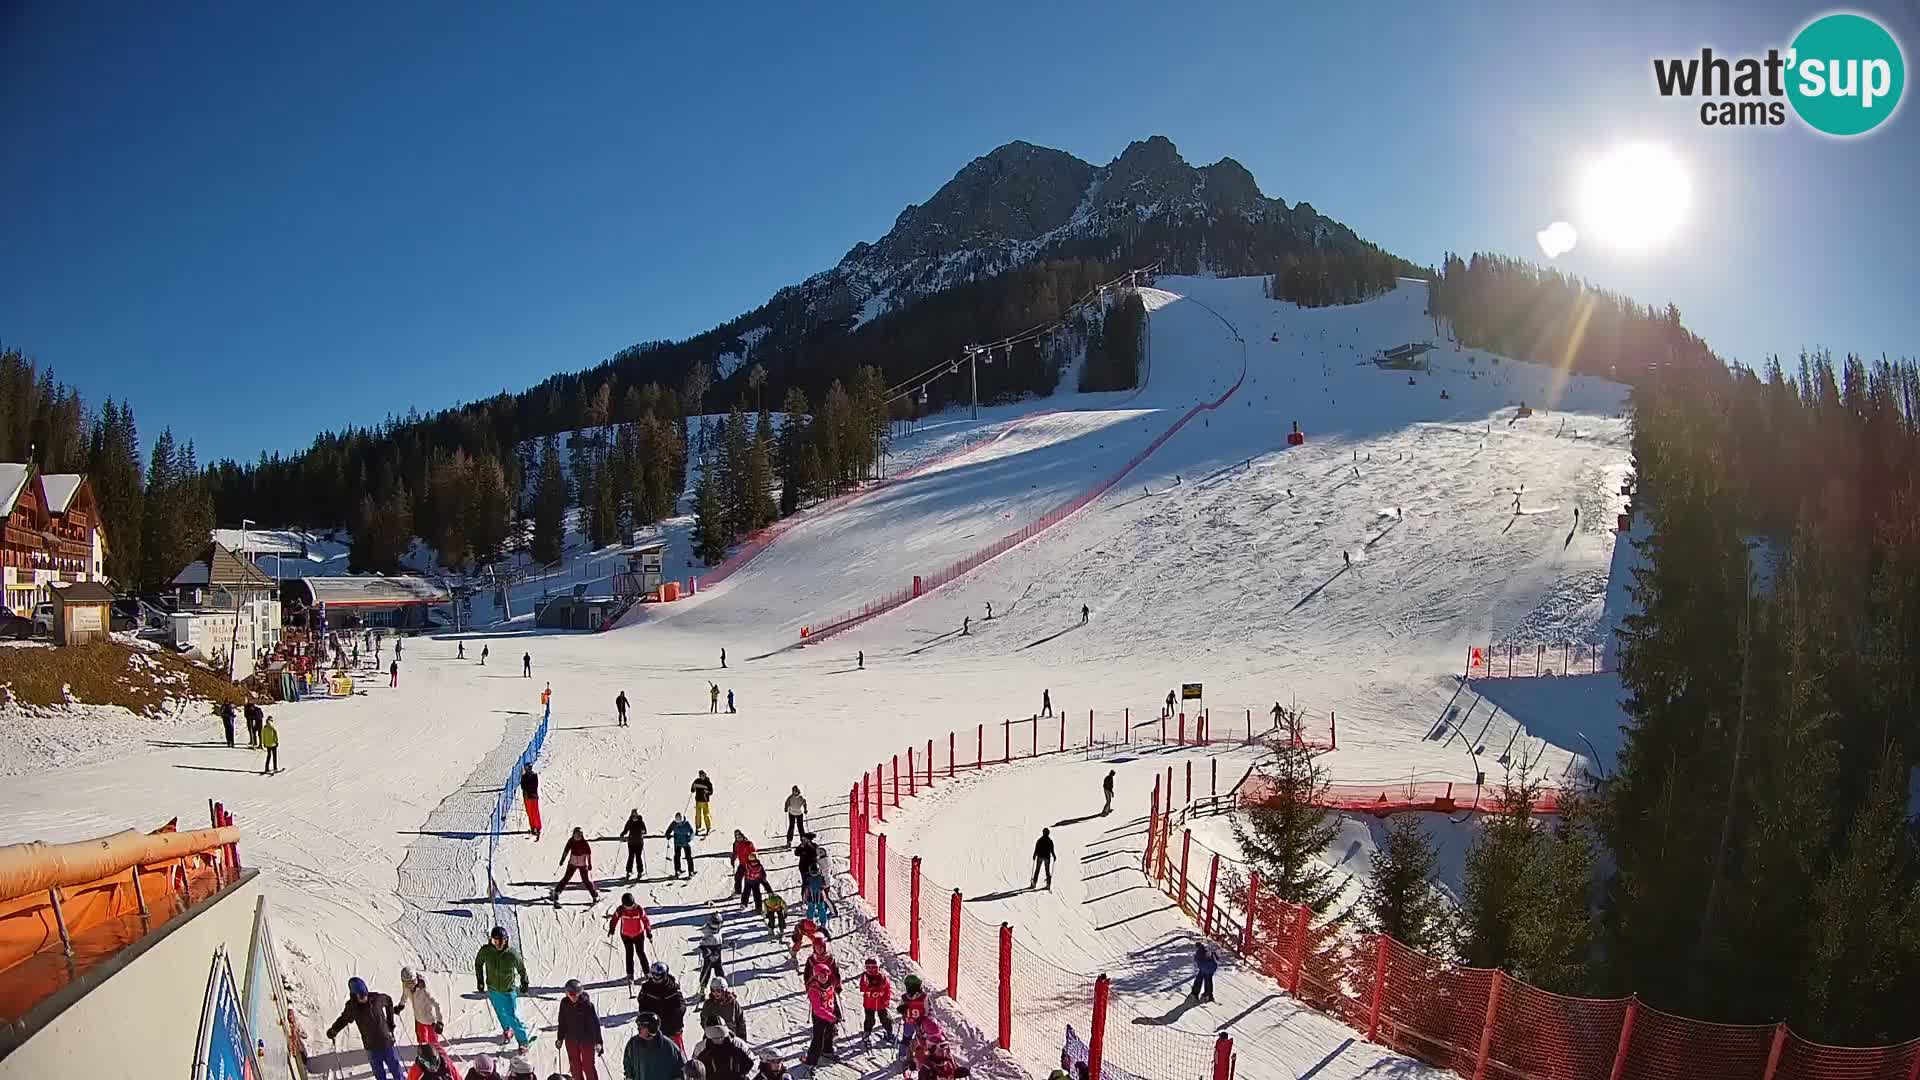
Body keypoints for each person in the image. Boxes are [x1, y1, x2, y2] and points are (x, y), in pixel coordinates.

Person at [326, 976, 403, 1080]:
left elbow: (389, 1001)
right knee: (379, 1074)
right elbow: (343, 1019)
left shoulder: (376, 999)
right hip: (371, 1047)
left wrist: (390, 1024)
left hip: (386, 1042)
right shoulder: (352, 1008)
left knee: (396, 1070)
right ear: (354, 995)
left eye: (365, 994)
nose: (364, 998)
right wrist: (334, 1029)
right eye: (360, 996)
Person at [475, 926, 534, 1050]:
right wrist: (480, 981)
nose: (499, 944)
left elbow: (521, 968)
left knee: (512, 1016)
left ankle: (523, 1041)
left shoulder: (512, 954)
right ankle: (507, 1030)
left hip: (508, 991)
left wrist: (525, 982)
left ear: (506, 940)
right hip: (493, 989)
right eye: (496, 941)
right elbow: (478, 963)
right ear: (492, 940)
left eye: (502, 940)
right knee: (500, 1013)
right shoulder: (486, 951)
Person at [557, 979, 605, 1080]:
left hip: (586, 1039)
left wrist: (598, 1042)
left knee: (588, 1066)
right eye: (571, 994)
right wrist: (560, 1038)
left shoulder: (587, 1005)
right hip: (571, 1039)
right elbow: (562, 1021)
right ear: (567, 993)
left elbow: (595, 1025)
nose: (574, 997)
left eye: (577, 994)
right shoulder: (564, 1003)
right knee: (575, 1066)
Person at [802, 943, 841, 1067]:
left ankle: (827, 1050)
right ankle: (811, 1060)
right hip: (820, 1017)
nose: (823, 978)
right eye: (820, 976)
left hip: (830, 1014)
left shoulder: (829, 985)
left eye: (824, 976)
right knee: (818, 1038)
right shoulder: (814, 989)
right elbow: (818, 1009)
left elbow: (833, 999)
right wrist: (831, 1017)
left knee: (829, 1034)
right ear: (816, 976)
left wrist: (836, 1012)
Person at [635, 965, 688, 1050]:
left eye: (659, 975)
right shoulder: (646, 988)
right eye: (654, 975)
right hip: (653, 1029)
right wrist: (646, 1020)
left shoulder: (672, 987)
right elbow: (642, 1004)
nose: (656, 978)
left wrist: (676, 1016)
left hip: (671, 1028)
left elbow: (681, 1005)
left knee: (677, 1053)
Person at [623, 1012, 687, 1080]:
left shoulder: (669, 1047)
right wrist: (629, 1077)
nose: (638, 1029)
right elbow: (628, 1063)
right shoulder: (633, 1044)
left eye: (642, 1026)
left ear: (651, 1027)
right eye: (638, 1026)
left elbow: (680, 1069)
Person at [608, 892, 655, 982]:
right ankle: (630, 974)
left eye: (631, 906)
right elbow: (614, 918)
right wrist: (612, 928)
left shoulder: (639, 909)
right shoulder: (620, 910)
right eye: (627, 906)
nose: (629, 908)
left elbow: (646, 921)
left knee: (641, 953)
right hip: (626, 935)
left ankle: (647, 972)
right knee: (629, 954)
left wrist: (648, 932)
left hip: (638, 934)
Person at [397, 966, 444, 1050]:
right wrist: (401, 1005)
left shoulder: (424, 990)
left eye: (411, 983)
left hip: (430, 1020)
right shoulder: (406, 986)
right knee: (422, 1041)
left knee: (434, 1043)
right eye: (407, 983)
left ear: (415, 979)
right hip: (418, 1018)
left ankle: (441, 1059)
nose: (409, 986)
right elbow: (405, 994)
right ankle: (425, 1057)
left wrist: (440, 1022)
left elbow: (437, 1004)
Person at [554, 827, 600, 902]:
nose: (578, 836)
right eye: (576, 834)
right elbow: (566, 851)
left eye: (580, 835)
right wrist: (562, 860)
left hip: (582, 864)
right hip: (573, 863)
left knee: (586, 881)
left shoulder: (584, 843)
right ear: (573, 834)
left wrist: (589, 864)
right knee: (566, 878)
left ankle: (594, 895)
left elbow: (588, 854)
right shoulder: (571, 841)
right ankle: (557, 892)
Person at [858, 958, 894, 1045]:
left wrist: (886, 1000)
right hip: (869, 1003)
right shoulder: (865, 977)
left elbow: (887, 990)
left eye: (873, 967)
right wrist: (865, 983)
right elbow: (862, 988)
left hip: (881, 1003)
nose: (871, 970)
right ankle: (867, 1032)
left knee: (885, 1018)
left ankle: (889, 1032)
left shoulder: (882, 978)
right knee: (869, 1019)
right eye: (868, 968)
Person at [895, 974, 929, 1058]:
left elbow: (900, 1009)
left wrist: (902, 1010)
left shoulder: (904, 998)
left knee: (906, 1039)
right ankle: (922, 1055)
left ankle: (902, 1055)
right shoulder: (923, 997)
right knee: (921, 1039)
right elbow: (927, 1010)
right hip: (920, 1023)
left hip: (908, 1022)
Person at [696, 913, 725, 989]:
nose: (717, 926)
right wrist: (706, 952)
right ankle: (702, 989)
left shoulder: (719, 931)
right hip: (709, 958)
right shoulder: (707, 932)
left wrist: (729, 944)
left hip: (718, 956)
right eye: (715, 924)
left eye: (719, 924)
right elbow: (701, 945)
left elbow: (720, 943)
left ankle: (721, 988)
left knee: (720, 973)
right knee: (706, 973)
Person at [618, 810, 648, 880]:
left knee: (638, 858)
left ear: (637, 815)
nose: (634, 817)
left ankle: (640, 872)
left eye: (635, 816)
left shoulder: (641, 822)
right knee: (630, 857)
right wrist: (622, 834)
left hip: (639, 843)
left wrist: (643, 831)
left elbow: (645, 831)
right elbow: (625, 830)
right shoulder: (629, 822)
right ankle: (628, 871)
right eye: (633, 816)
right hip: (631, 842)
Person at [729, 831, 756, 896]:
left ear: (742, 836)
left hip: (749, 864)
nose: (738, 838)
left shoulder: (748, 843)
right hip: (742, 864)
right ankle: (738, 892)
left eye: (739, 836)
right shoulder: (736, 844)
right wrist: (733, 860)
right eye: (737, 837)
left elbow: (754, 852)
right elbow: (735, 853)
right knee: (738, 877)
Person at [521, 765, 543, 841]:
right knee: (529, 813)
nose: (527, 770)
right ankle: (533, 828)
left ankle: (538, 827)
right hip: (527, 797)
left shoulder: (534, 776)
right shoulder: (524, 777)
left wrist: (527, 789)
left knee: (535, 812)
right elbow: (523, 786)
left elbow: (534, 786)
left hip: (533, 796)